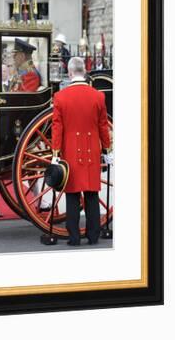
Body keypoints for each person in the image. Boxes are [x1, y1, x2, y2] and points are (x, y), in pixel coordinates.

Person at [51, 56, 112, 246]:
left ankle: (74, 237)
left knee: (72, 194)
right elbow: (103, 126)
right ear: (84, 72)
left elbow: (57, 128)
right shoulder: (98, 96)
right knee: (92, 193)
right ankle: (93, 236)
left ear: (69, 73)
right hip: (92, 149)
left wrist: (55, 154)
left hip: (70, 150)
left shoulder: (60, 97)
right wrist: (107, 149)